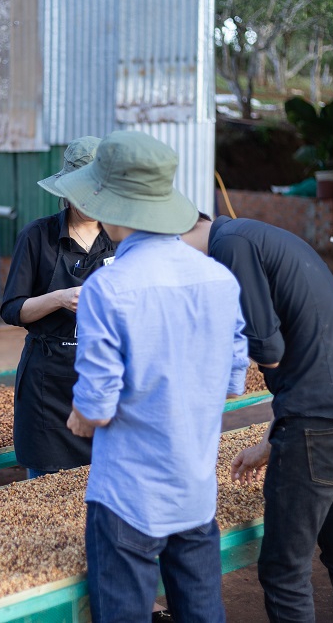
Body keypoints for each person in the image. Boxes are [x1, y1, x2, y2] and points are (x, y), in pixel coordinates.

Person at [59, 130, 248, 623]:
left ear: (111, 205)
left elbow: (97, 407)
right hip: (194, 488)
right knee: (202, 613)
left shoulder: (108, 287)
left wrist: (80, 417)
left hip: (129, 495)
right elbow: (234, 381)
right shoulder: (219, 278)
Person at [181, 213, 333, 623]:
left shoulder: (230, 245)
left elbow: (269, 350)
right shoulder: (260, 236)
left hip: (318, 419)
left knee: (283, 570)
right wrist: (272, 441)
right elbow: (308, 349)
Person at [0, 136, 116, 479]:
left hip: (104, 378)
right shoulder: (37, 236)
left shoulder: (120, 239)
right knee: (46, 490)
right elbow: (12, 309)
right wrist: (59, 298)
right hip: (47, 386)